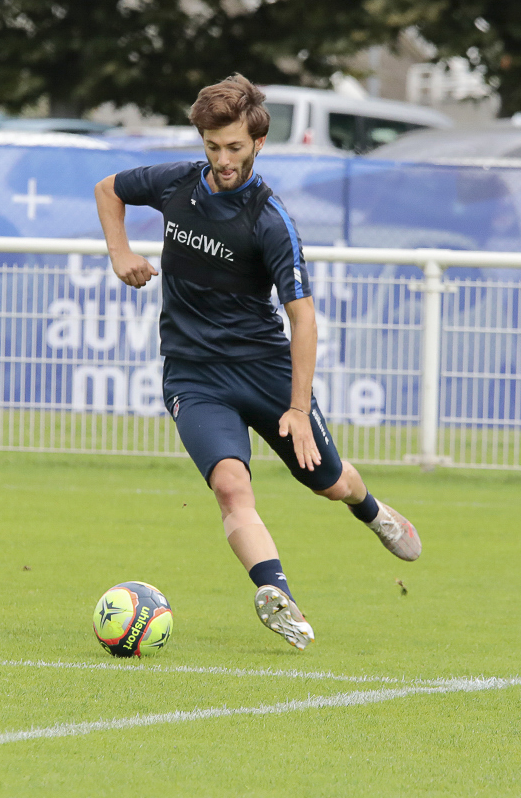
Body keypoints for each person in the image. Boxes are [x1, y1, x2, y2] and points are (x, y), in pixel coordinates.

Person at [93, 74, 421, 650]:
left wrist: (297, 408)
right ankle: (278, 596)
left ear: (259, 143)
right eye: (212, 146)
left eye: (235, 148)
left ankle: (372, 511)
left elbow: (304, 319)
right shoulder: (176, 183)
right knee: (229, 486)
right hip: (194, 374)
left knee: (329, 483)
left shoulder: (271, 222)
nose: (222, 160)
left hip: (264, 371)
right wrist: (120, 252)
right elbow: (108, 188)